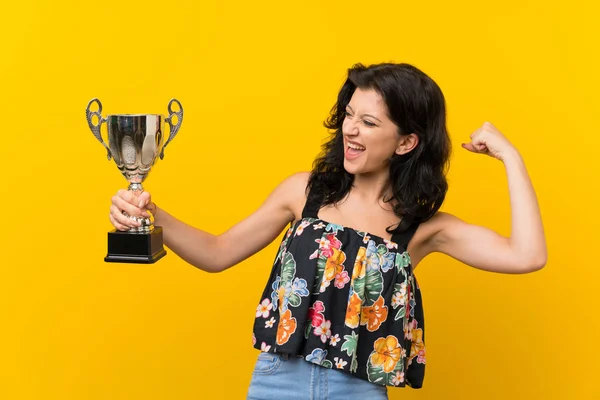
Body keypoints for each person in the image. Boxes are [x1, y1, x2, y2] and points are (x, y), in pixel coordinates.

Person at [108, 63, 547, 399]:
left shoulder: (423, 228)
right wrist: (153, 214)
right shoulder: (304, 193)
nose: (350, 130)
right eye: (350, 115)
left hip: (359, 390)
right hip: (277, 383)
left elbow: (528, 256)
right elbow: (217, 252)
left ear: (406, 142)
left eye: (370, 123)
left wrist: (511, 156)